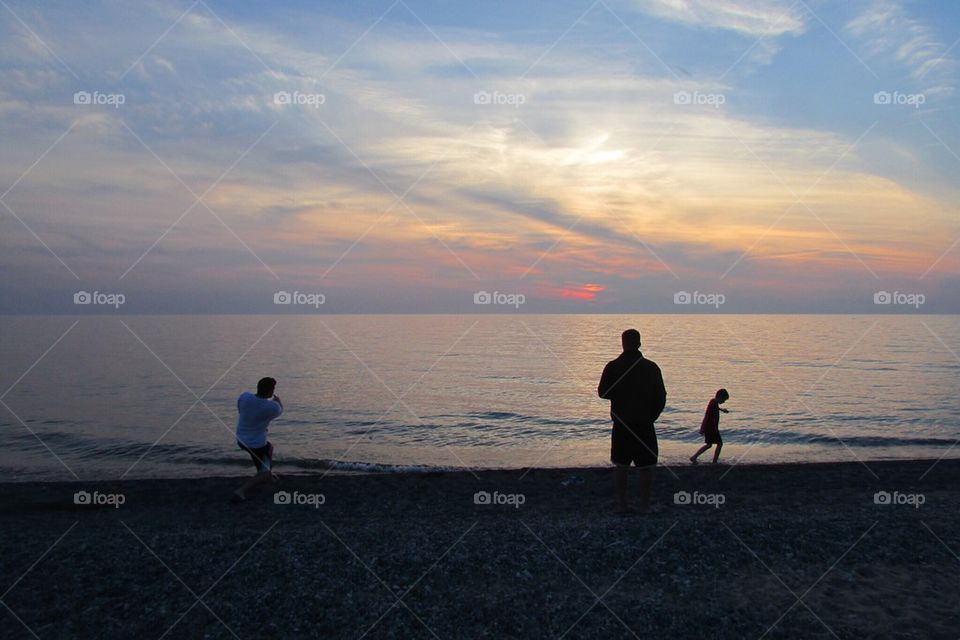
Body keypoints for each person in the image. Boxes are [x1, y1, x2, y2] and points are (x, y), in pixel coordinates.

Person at [598, 329, 667, 514]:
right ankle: (644, 506)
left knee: (621, 466)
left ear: (623, 344)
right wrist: (652, 416)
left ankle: (622, 505)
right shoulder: (651, 367)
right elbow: (661, 396)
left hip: (622, 424)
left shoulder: (613, 366)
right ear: (639, 343)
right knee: (646, 467)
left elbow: (603, 393)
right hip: (644, 424)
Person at [232, 377, 283, 502]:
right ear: (271, 391)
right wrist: (278, 401)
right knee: (264, 470)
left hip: (241, 438)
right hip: (255, 444)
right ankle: (241, 491)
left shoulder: (245, 396)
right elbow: (280, 410)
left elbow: (240, 410)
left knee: (269, 448)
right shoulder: (272, 407)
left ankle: (267, 475)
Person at [690, 389, 730, 465]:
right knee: (719, 444)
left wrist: (722, 410)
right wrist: (702, 428)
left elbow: (714, 409)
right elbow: (707, 416)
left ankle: (694, 457)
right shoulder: (713, 403)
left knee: (709, 445)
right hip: (711, 428)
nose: (724, 402)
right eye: (723, 400)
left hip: (712, 428)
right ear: (720, 397)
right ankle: (714, 461)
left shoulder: (713, 402)